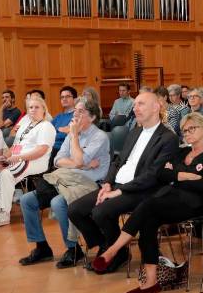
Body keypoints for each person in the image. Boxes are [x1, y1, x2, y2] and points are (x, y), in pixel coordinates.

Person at [92, 113, 203, 293]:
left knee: (148, 205)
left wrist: (175, 175)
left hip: (197, 204)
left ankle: (113, 249)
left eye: (192, 128)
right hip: (174, 198)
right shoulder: (181, 152)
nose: (187, 133)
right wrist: (183, 175)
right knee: (148, 221)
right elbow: (162, 174)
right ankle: (151, 281)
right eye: (185, 131)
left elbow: (202, 185)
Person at [68, 91, 179, 274]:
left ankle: (114, 252)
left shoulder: (168, 138)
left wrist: (119, 191)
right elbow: (118, 161)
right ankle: (109, 246)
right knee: (75, 210)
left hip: (142, 190)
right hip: (117, 186)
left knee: (100, 212)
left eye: (141, 104)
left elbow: (153, 175)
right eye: (134, 105)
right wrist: (107, 184)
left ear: (156, 107)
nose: (135, 108)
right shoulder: (135, 131)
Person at [18, 98, 110, 268]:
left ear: (92, 117)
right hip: (64, 179)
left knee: (57, 202)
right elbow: (58, 160)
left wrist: (74, 139)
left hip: (88, 184)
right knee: (27, 200)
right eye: (75, 110)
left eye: (80, 111)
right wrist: (77, 163)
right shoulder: (71, 136)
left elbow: (80, 158)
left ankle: (73, 249)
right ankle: (42, 246)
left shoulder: (99, 137)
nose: (75, 114)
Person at [0, 95, 56, 226]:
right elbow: (15, 146)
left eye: (37, 107)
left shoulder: (46, 126)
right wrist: (5, 156)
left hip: (35, 161)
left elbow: (41, 151)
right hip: (17, 158)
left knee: (6, 173)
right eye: (30, 107)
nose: (33, 110)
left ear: (44, 109)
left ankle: (5, 214)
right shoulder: (26, 123)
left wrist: (17, 158)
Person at [50, 86, 78, 156]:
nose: (64, 99)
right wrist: (60, 130)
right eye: (62, 97)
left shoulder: (77, 115)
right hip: (51, 148)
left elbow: (65, 134)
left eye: (67, 96)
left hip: (64, 150)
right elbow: (47, 130)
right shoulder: (59, 116)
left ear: (75, 99)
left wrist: (56, 131)